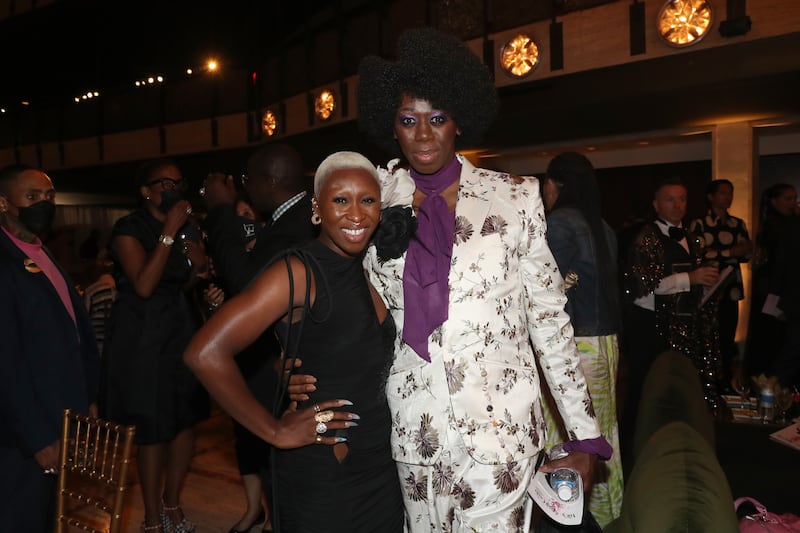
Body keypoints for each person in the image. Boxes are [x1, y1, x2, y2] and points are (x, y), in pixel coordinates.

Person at [287, 28, 609, 533]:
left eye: (437, 119)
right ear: (390, 127)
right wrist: (295, 368)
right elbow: (329, 292)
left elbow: (549, 321)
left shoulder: (516, 197)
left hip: (502, 432)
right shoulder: (373, 199)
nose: (422, 135)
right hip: (415, 430)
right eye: (407, 120)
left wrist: (585, 436)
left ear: (459, 120)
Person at [184, 151, 403, 533]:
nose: (356, 213)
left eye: (367, 200)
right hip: (328, 472)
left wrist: (284, 364)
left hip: (379, 470)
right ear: (317, 208)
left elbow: (330, 345)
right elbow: (204, 352)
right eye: (340, 200)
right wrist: (273, 430)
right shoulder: (299, 270)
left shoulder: (366, 266)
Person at [201, 149, 317, 533]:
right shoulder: (289, 221)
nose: (247, 190)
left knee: (284, 474)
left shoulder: (293, 227)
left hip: (291, 367)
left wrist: (220, 210)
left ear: (270, 181)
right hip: (283, 363)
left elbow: (245, 283)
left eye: (249, 182)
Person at [101, 158, 211, 533]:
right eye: (163, 183)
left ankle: (172, 503)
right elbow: (145, 285)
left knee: (186, 420)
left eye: (179, 183)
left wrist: (199, 270)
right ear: (145, 191)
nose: (172, 190)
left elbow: (181, 285)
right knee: (154, 425)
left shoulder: (188, 228)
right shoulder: (128, 228)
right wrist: (168, 232)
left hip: (180, 329)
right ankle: (151, 518)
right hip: (143, 338)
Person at [0, 164, 100, 532]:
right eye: (32, 197)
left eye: (49, 196)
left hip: (60, 415)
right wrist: (37, 438)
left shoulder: (40, 251)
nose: (44, 203)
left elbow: (71, 331)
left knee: (46, 517)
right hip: (24, 434)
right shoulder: (4, 262)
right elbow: (5, 362)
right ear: (4, 203)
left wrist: (88, 394)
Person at [539, 151, 624, 528]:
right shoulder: (601, 225)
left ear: (554, 184)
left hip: (576, 347)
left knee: (568, 443)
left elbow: (546, 292)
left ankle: (572, 520)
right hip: (605, 344)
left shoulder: (560, 222)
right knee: (602, 437)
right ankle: (607, 516)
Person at [620, 178, 721, 473]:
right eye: (669, 199)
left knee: (680, 390)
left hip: (683, 328)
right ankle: (635, 458)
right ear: (656, 204)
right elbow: (642, 287)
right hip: (650, 327)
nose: (677, 205)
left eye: (682, 199)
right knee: (646, 391)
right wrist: (692, 278)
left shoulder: (693, 237)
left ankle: (677, 452)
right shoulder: (646, 236)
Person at [688, 179, 752, 393]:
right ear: (711, 197)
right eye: (723, 193)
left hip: (731, 288)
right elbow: (696, 255)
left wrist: (727, 253)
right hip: (708, 288)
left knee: (727, 334)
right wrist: (728, 253)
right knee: (706, 335)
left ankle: (725, 382)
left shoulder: (738, 224)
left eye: (730, 193)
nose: (728, 197)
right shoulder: (700, 224)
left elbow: (746, 253)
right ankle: (706, 382)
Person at [744, 183, 798, 379]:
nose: (793, 203)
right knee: (775, 342)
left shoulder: (785, 224)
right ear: (774, 202)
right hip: (774, 290)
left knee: (779, 343)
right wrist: (778, 302)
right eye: (788, 198)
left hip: (778, 289)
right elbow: (780, 266)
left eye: (794, 198)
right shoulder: (777, 226)